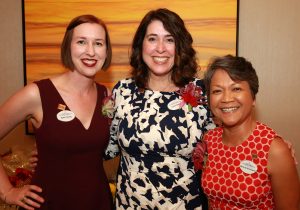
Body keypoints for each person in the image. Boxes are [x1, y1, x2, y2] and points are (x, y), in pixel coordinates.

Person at [104, 8, 215, 209]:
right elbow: (106, 148)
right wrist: (54, 149)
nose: (161, 48)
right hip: (129, 205)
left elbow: (225, 141)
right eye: (153, 39)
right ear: (141, 45)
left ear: (180, 46)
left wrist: (266, 146)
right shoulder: (123, 91)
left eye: (169, 39)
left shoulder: (201, 92)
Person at [0, 14, 113, 210]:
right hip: (48, 203)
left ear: (106, 51)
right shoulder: (37, 94)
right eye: (81, 42)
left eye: (98, 43)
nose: (91, 51)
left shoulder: (107, 96)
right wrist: (7, 192)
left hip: (97, 202)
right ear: (68, 46)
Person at [193, 55, 300, 209]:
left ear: (253, 97)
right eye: (217, 91)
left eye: (236, 89)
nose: (226, 98)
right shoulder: (210, 140)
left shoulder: (274, 149)